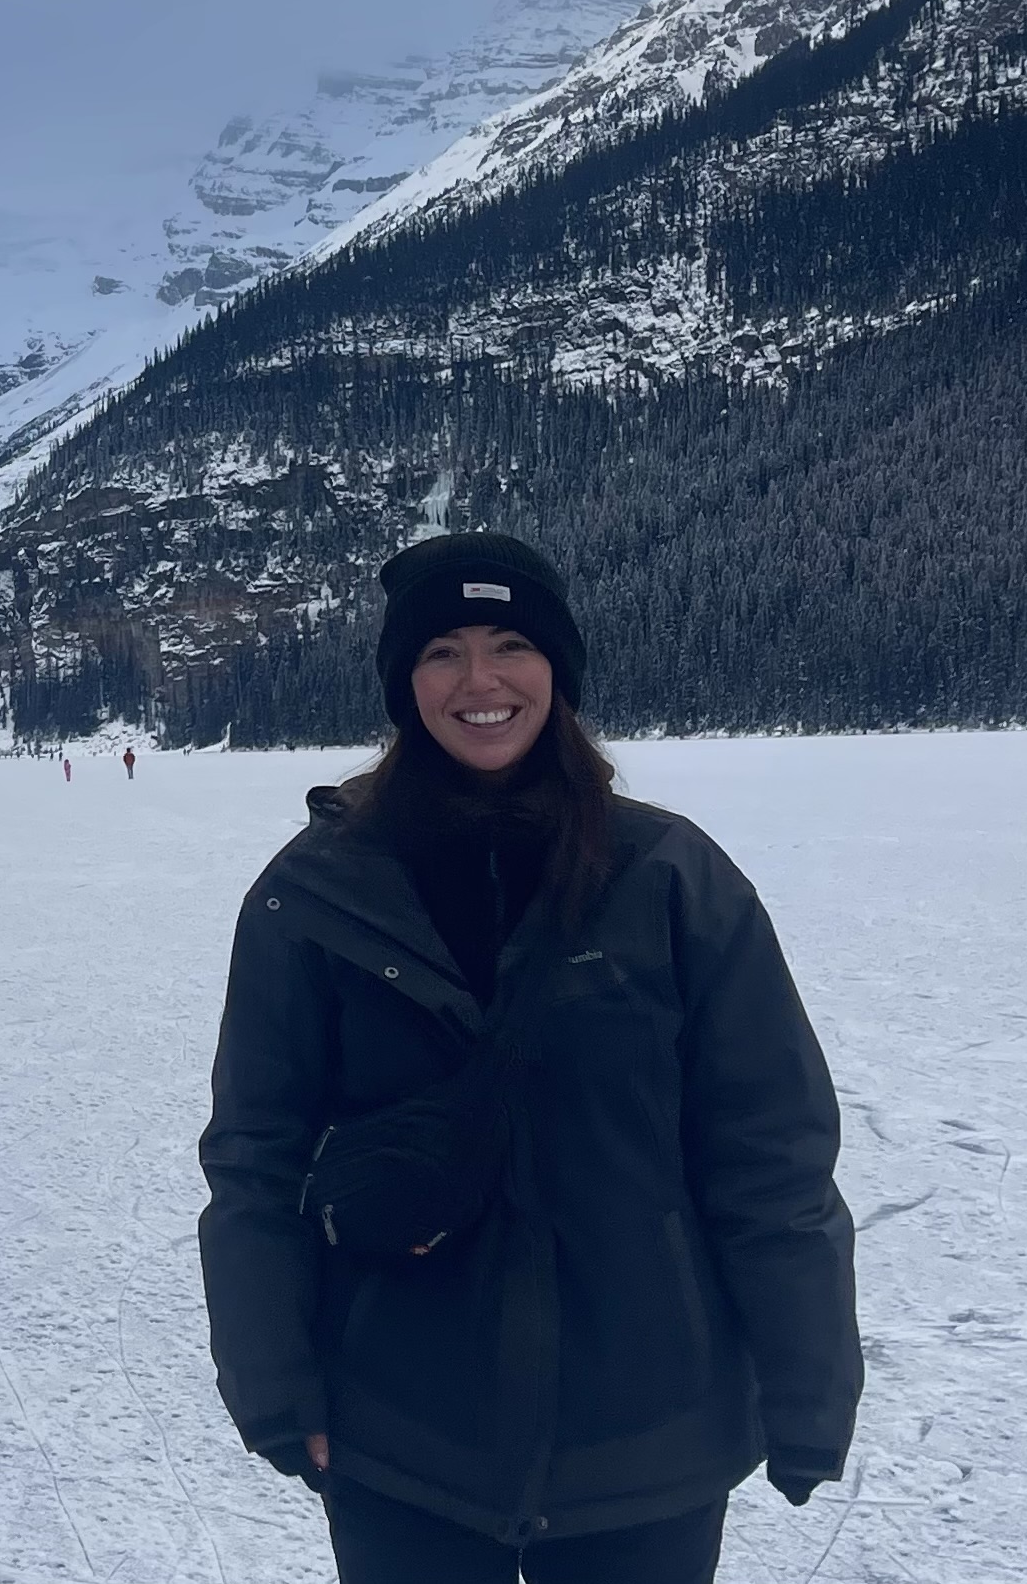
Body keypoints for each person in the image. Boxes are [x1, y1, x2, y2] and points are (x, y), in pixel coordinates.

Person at [199, 533, 859, 1583]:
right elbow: (255, 1157)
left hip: (647, 1433)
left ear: (558, 668)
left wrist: (809, 1385)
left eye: (511, 644)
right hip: (400, 1431)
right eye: (441, 652)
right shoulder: (317, 895)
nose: (480, 682)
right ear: (402, 683)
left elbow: (769, 1152)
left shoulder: (673, 879)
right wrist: (274, 1384)